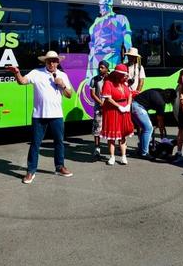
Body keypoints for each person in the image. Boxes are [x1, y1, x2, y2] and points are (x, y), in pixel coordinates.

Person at [9, 50, 75, 184]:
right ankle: (31, 171)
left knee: (59, 142)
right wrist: (16, 73)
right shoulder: (36, 73)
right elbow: (22, 81)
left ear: (58, 62)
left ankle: (60, 166)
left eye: (54, 61)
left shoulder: (62, 75)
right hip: (39, 115)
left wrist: (62, 85)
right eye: (49, 61)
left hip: (57, 115)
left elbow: (69, 95)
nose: (52, 63)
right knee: (35, 143)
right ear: (45, 62)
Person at [101, 64, 134, 165]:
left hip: (124, 109)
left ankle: (123, 156)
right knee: (112, 136)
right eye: (123, 75)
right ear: (117, 74)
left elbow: (130, 95)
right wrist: (119, 106)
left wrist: (128, 105)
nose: (125, 77)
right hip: (112, 110)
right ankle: (112, 157)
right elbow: (108, 98)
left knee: (123, 135)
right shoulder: (108, 83)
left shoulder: (124, 83)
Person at [131, 88, 176, 158]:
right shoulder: (161, 103)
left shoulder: (159, 91)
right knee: (148, 129)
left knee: (145, 128)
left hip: (134, 105)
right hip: (138, 107)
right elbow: (160, 121)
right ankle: (144, 153)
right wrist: (163, 137)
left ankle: (141, 149)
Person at [90, 60, 110, 161]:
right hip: (99, 107)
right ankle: (97, 148)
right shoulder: (94, 79)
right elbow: (92, 94)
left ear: (107, 69)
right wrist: (100, 103)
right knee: (97, 129)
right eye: (99, 67)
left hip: (109, 108)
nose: (100, 69)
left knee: (111, 128)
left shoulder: (110, 79)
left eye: (102, 67)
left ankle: (111, 150)